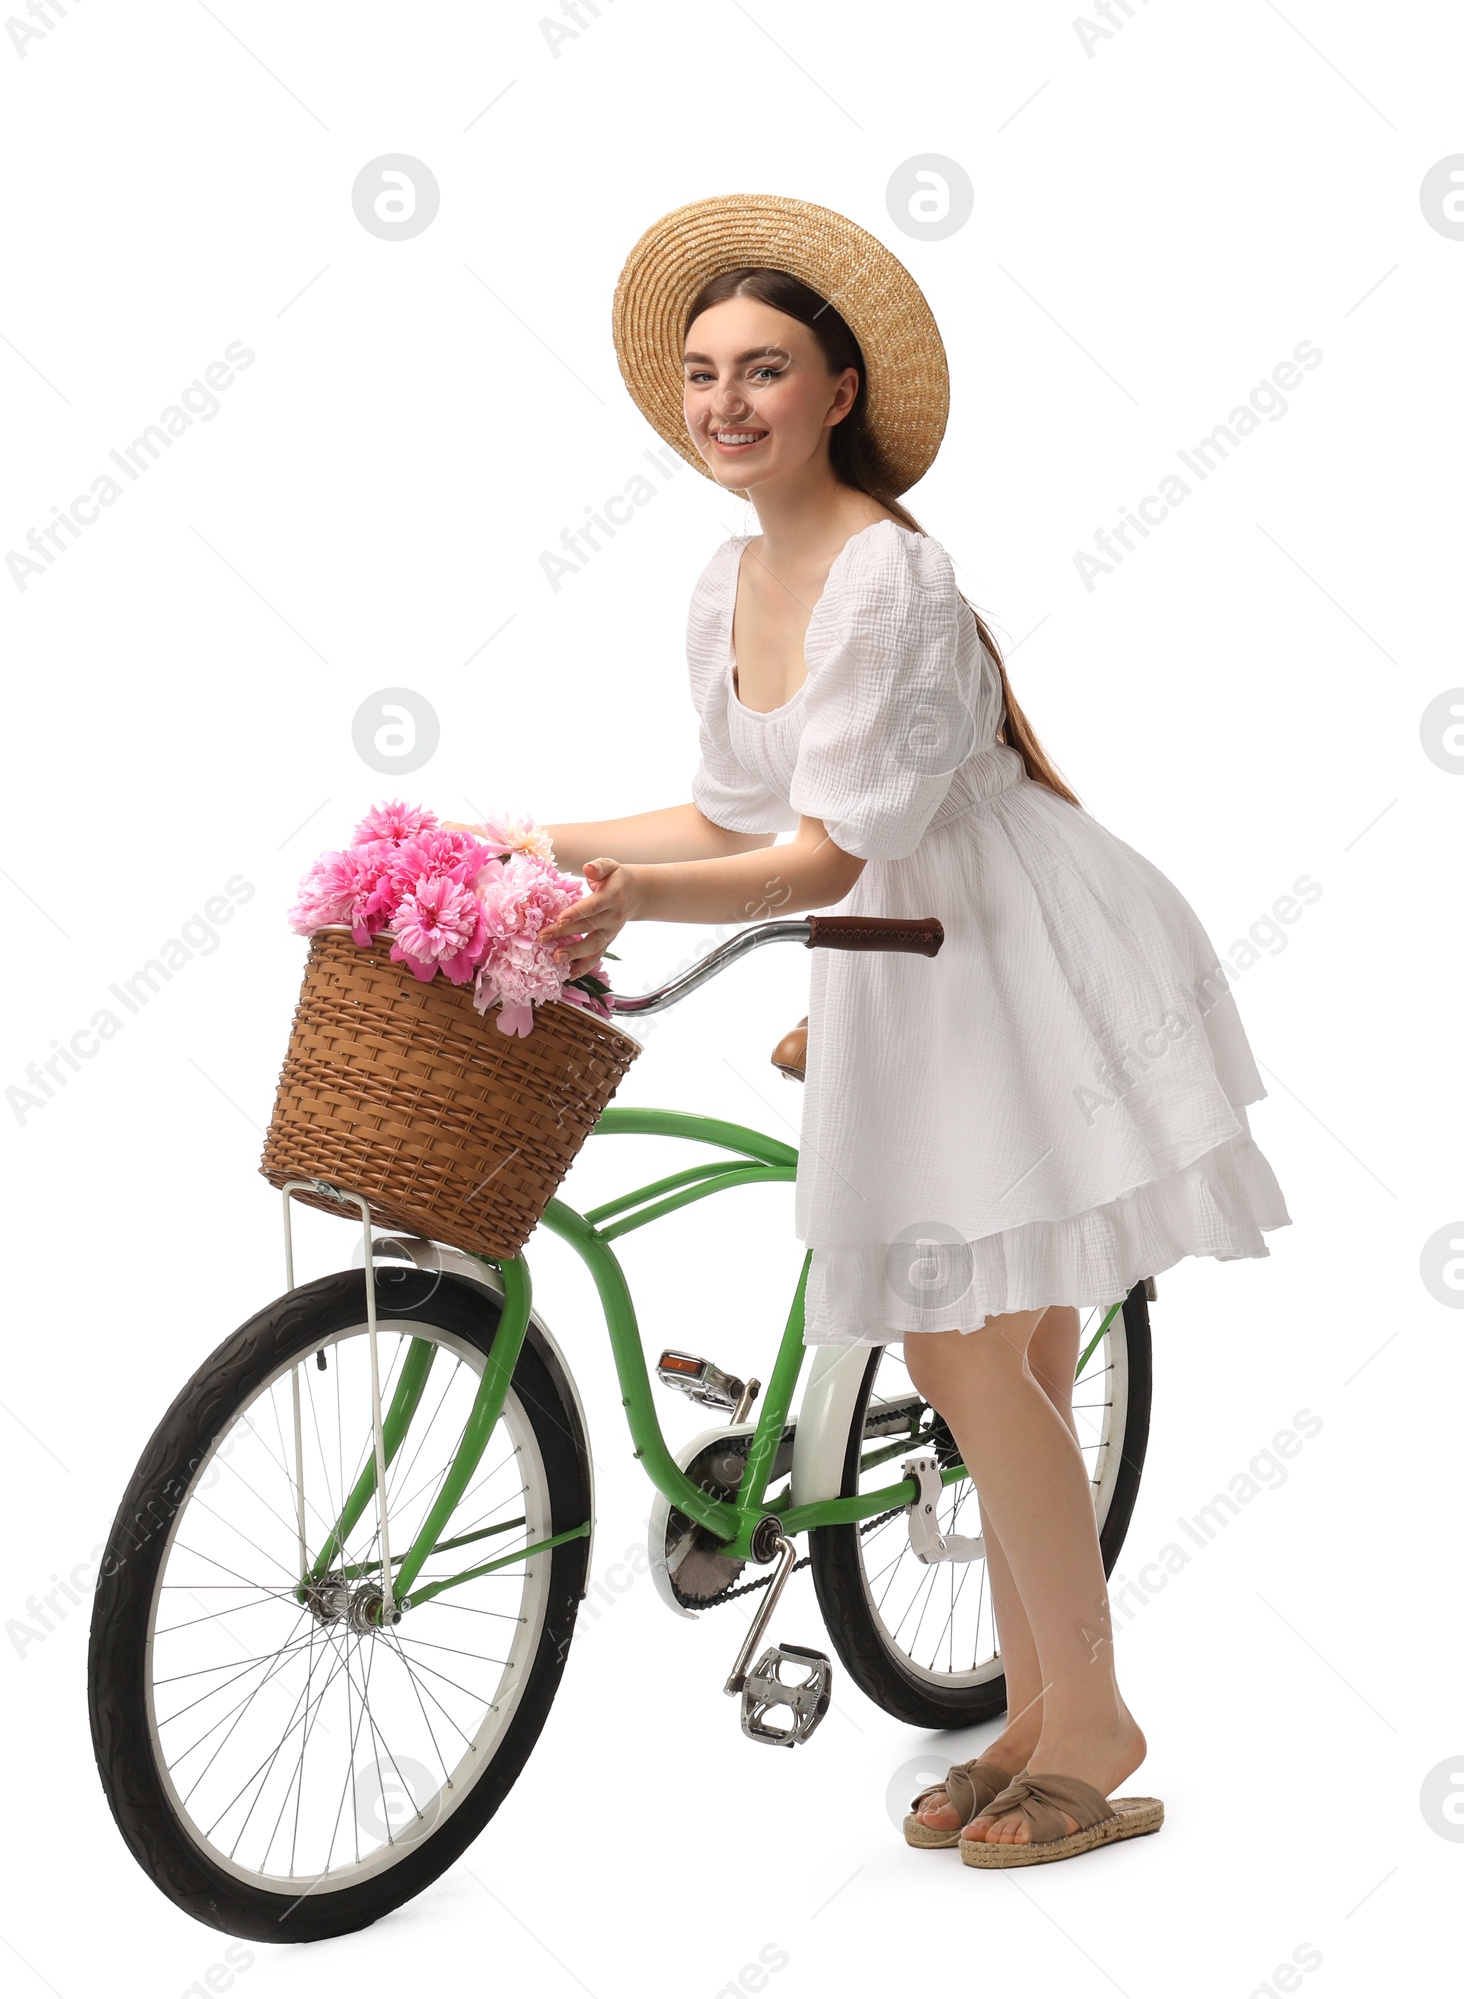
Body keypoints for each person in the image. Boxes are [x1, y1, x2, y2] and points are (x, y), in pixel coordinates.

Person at [526, 194, 1291, 1867]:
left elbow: (825, 849)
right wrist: (542, 843)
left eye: (767, 371)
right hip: (908, 952)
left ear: (841, 390)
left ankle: (1091, 1721)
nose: (727, 403)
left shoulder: (891, 576)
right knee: (1000, 1355)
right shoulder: (727, 577)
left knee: (954, 1347)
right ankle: (1036, 1715)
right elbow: (735, 808)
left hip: (1013, 952)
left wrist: (635, 903)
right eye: (703, 372)